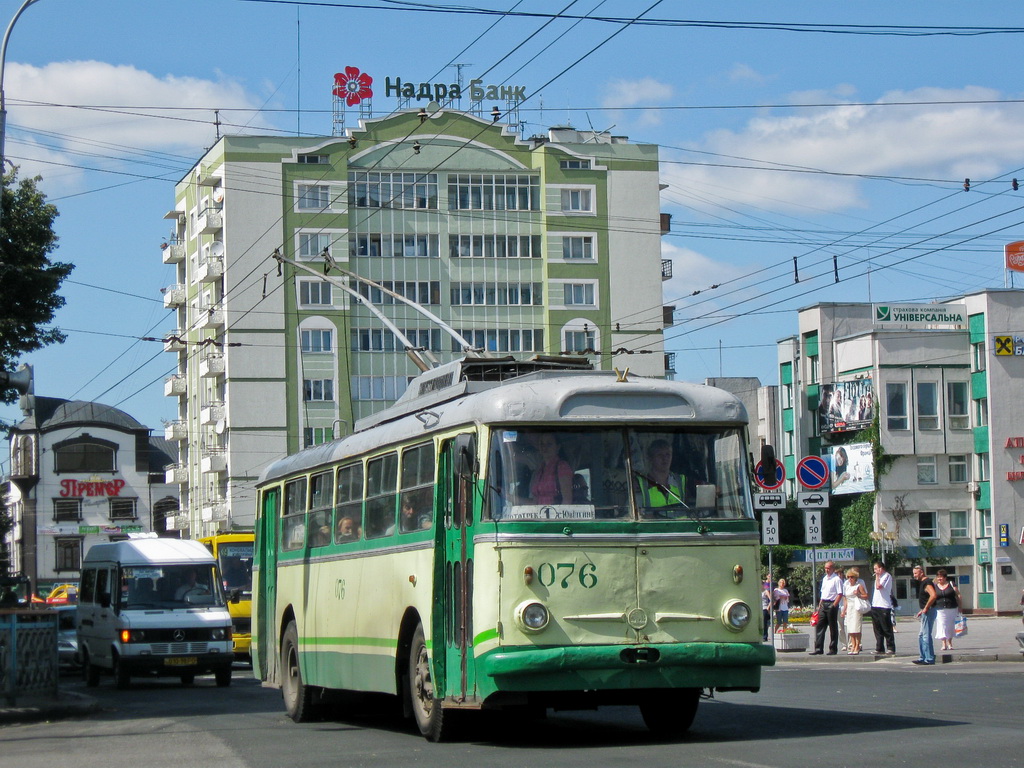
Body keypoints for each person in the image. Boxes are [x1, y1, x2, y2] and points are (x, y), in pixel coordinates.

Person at [636, 439, 686, 509]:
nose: (665, 458)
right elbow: (633, 512)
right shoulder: (640, 483)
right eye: (660, 455)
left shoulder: (680, 480)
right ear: (651, 458)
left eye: (668, 454)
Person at [528, 433, 574, 505]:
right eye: (542, 444)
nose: (544, 447)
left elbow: (567, 500)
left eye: (549, 444)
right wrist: (512, 498)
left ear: (558, 447)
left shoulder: (562, 466)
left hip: (555, 511)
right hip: (538, 511)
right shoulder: (539, 470)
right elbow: (534, 502)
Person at [810, 560, 844, 655]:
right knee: (820, 626)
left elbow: (840, 593)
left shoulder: (836, 579)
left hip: (831, 603)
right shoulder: (825, 578)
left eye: (828, 568)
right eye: (825, 568)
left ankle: (833, 648)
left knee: (833, 627)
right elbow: (823, 592)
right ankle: (818, 648)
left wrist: (834, 605)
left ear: (833, 569)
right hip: (823, 603)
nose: (826, 570)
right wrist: (820, 603)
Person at [912, 564, 938, 665]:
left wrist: (926, 608)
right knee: (921, 635)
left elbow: (933, 595)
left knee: (925, 635)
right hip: (925, 611)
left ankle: (929, 658)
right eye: (913, 573)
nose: (914, 575)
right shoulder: (923, 583)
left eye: (916, 573)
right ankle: (922, 657)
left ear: (922, 572)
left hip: (929, 611)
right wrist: (922, 609)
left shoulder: (927, 582)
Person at [841, 567, 870, 655]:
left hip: (856, 608)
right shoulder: (847, 586)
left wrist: (858, 595)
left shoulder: (859, 585)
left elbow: (866, 596)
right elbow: (845, 599)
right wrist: (844, 610)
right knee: (850, 629)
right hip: (849, 608)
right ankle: (853, 645)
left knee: (856, 628)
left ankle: (857, 646)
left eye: (852, 577)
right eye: (848, 577)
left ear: (855, 578)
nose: (850, 579)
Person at [870, 560, 897, 655]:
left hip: (884, 606)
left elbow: (879, 586)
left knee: (886, 628)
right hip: (875, 605)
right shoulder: (878, 578)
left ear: (881, 568)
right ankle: (879, 648)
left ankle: (891, 647)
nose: (874, 571)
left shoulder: (887, 576)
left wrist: (877, 576)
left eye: (876, 569)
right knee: (877, 629)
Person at [932, 569, 961, 652]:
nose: (939, 579)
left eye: (941, 577)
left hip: (952, 608)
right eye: (938, 577)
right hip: (940, 609)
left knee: (950, 626)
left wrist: (960, 606)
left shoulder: (951, 584)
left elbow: (958, 595)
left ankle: (950, 643)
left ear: (945, 578)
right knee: (942, 625)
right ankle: (943, 643)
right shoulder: (934, 586)